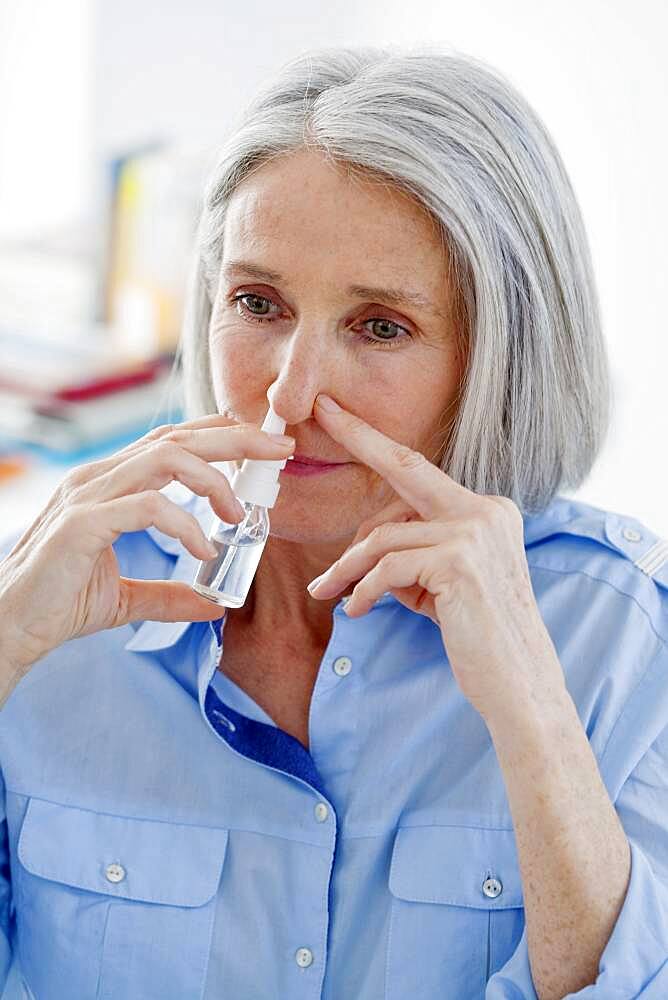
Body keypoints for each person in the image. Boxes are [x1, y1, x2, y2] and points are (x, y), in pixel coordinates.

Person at [0, 43, 667, 1000]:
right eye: (257, 304)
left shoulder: (628, 640)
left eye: (380, 326)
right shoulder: (55, 593)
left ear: (498, 358)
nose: (291, 391)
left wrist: (534, 714)